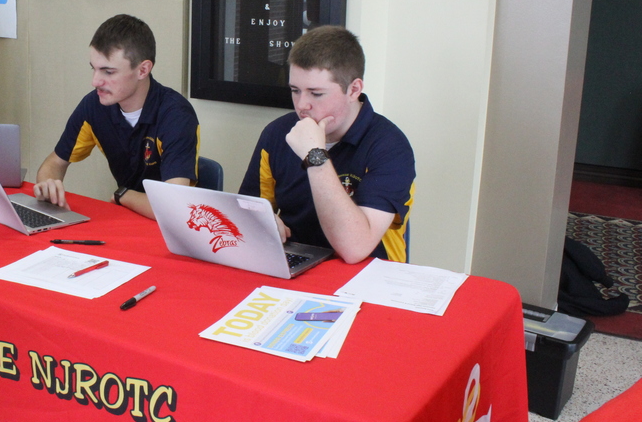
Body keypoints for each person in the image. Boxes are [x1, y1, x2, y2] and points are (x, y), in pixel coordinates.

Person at [239, 25, 415, 263]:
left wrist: (315, 155)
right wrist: (263, 221)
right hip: (294, 266)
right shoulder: (277, 133)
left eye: (316, 93)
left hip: (367, 278)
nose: (302, 105)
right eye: (295, 90)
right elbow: (247, 212)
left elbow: (354, 249)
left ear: (354, 89)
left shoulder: (390, 147)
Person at [34, 14, 200, 219]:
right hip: (128, 218)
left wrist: (124, 195)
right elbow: (55, 163)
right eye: (93, 69)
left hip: (169, 230)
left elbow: (172, 208)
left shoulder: (176, 115)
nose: (95, 81)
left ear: (143, 70)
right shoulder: (94, 105)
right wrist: (48, 183)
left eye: (108, 72)